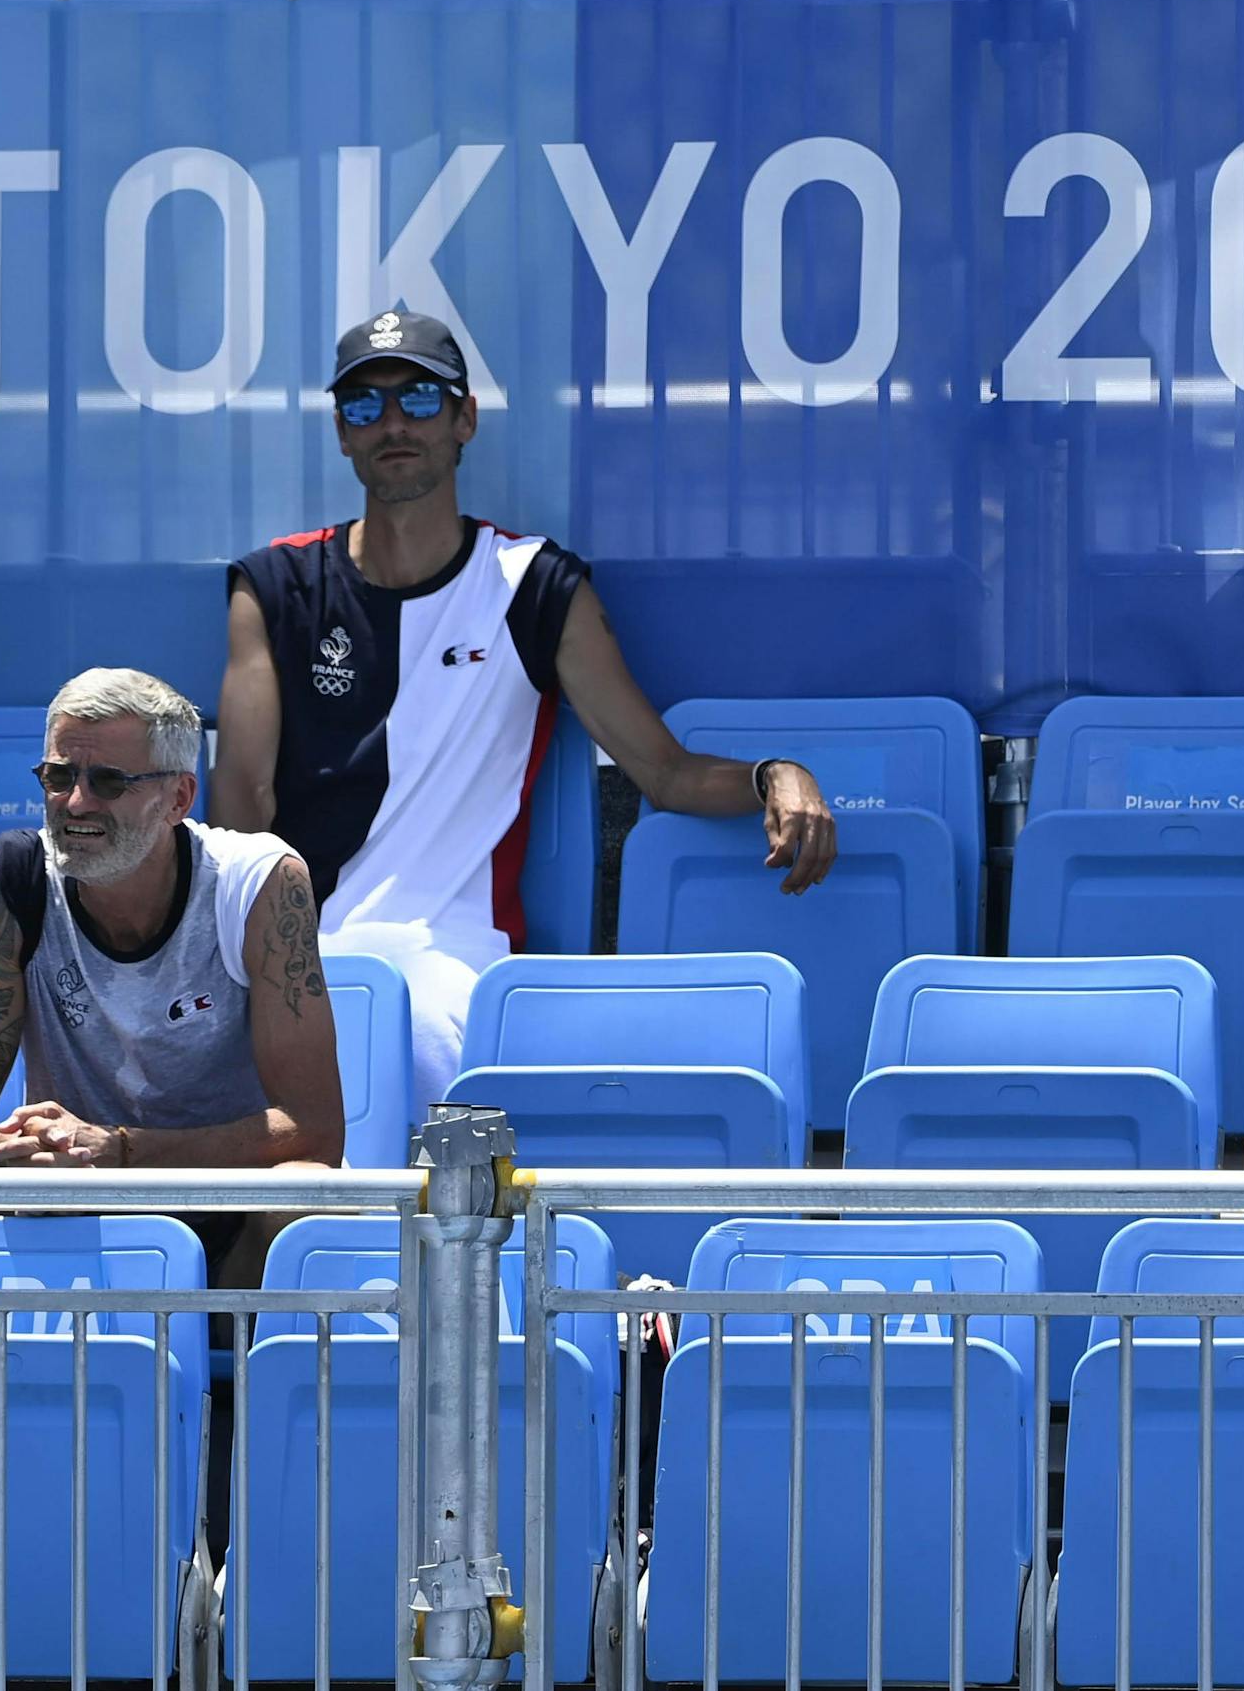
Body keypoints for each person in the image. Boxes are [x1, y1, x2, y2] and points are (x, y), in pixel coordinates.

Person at [213, 307, 837, 1116]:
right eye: (365, 405)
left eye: (421, 399)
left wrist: (773, 775)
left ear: (465, 418)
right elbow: (240, 820)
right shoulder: (274, 587)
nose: (393, 422)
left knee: (395, 1129)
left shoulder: (534, 586)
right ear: (341, 431)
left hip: (454, 967)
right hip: (299, 958)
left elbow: (666, 771)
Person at [0, 670, 341, 1286]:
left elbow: (314, 1130)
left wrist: (119, 1151)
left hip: (225, 1207)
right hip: (66, 1205)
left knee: (305, 1197)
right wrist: (17, 1154)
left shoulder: (262, 883)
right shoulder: (11, 877)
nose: (77, 802)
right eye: (59, 776)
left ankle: (253, 1382)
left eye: (108, 781)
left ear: (178, 799)